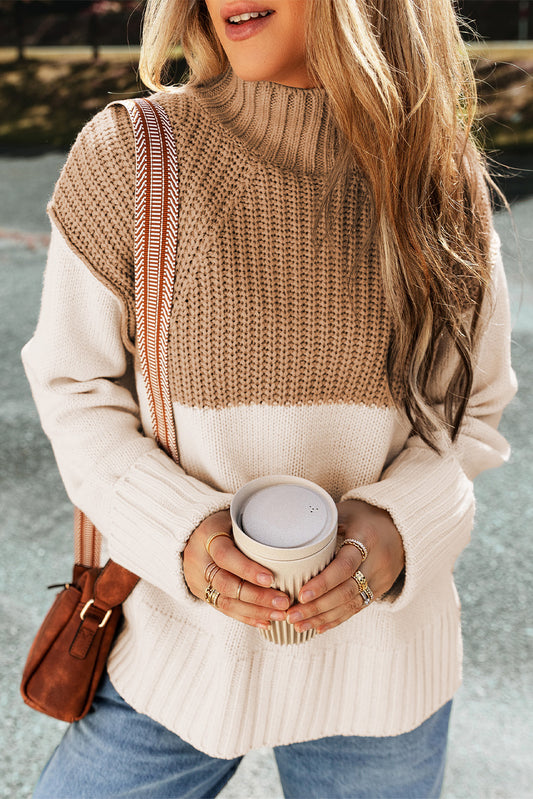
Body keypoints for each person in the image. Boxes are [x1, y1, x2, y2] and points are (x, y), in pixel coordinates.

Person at [22, 0, 517, 797]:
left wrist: (397, 529)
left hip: (381, 667)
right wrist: (180, 536)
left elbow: (472, 414)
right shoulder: (133, 155)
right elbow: (74, 387)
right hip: (172, 652)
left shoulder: (440, 176)